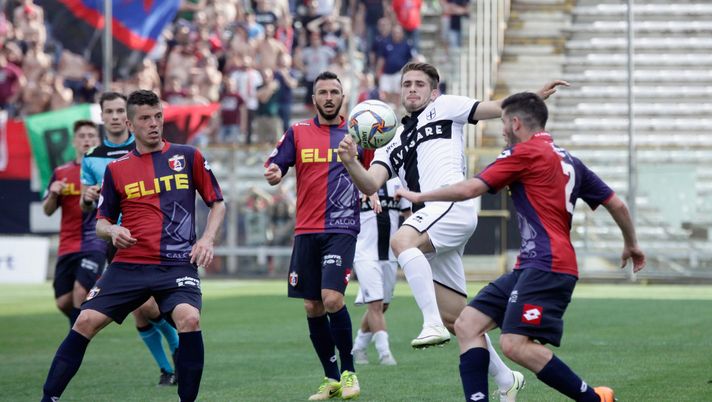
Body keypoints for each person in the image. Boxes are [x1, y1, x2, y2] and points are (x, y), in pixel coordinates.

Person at [395, 92, 646, 402]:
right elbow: (617, 204)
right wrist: (632, 243)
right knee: (467, 324)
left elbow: (471, 188)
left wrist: (422, 197)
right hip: (533, 265)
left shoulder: (522, 154)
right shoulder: (570, 160)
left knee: (514, 345)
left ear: (515, 123)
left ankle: (593, 400)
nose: (501, 130)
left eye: (503, 123)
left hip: (548, 265)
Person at [338, 62, 565, 399]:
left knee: (401, 240)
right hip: (432, 218)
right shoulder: (391, 139)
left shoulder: (445, 108)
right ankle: (507, 379)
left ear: (433, 91)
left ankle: (428, 323)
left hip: (451, 203)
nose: (412, 89)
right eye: (407, 84)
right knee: (460, 321)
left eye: (419, 84)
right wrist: (351, 161)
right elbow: (371, 183)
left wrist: (534, 95)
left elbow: (496, 108)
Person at [41, 89, 225, 402]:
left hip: (176, 264)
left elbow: (218, 203)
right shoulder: (116, 170)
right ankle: (49, 398)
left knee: (189, 318)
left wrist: (206, 239)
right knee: (84, 320)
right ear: (130, 124)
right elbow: (100, 222)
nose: (154, 124)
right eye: (145, 118)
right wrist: (112, 231)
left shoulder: (188, 156)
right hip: (128, 266)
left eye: (158, 117)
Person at [264, 71, 364, 400]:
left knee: (333, 298)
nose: (329, 96)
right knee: (312, 306)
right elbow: (278, 162)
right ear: (314, 99)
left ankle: (350, 372)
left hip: (341, 227)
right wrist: (276, 171)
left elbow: (373, 172)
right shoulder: (297, 132)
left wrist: (374, 192)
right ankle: (331, 378)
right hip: (306, 229)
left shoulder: (357, 133)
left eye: (335, 91)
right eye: (323, 92)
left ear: (343, 98)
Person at [80, 91, 181, 386]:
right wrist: (87, 198)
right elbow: (86, 208)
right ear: (102, 116)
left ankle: (179, 354)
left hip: (151, 236)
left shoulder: (143, 147)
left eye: (117, 111)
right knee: (139, 312)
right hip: (116, 239)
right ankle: (168, 368)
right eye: (107, 111)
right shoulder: (93, 158)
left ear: (127, 118)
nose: (113, 116)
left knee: (148, 307)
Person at [42, 120, 104, 327]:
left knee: (80, 291)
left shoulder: (107, 171)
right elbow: (47, 210)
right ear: (73, 142)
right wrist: (53, 194)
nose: (87, 140)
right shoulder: (61, 172)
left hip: (95, 240)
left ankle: (75, 345)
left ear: (98, 140)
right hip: (68, 243)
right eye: (82, 136)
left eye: (91, 136)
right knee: (63, 302)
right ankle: (82, 328)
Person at [351, 178, 410, 366]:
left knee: (382, 306)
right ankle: (385, 354)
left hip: (390, 255)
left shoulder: (398, 182)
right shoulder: (357, 182)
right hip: (364, 253)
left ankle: (358, 347)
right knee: (375, 305)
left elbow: (408, 216)